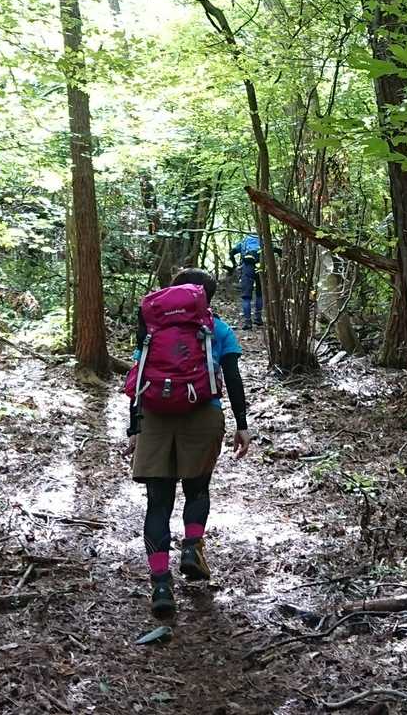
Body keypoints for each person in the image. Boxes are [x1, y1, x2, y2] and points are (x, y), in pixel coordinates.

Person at [123, 268, 251, 617]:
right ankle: (192, 547)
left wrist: (134, 428)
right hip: (203, 414)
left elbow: (138, 377)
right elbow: (233, 378)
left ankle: (161, 586)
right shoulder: (218, 329)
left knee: (157, 504)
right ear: (206, 297)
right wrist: (242, 425)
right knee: (197, 489)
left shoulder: (153, 327)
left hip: (154, 416)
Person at [228, 233, 265, 327]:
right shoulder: (263, 240)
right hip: (260, 267)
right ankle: (258, 318)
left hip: (247, 267)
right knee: (259, 294)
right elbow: (277, 250)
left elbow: (232, 252)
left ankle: (248, 322)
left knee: (246, 297)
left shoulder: (243, 242)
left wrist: (234, 264)